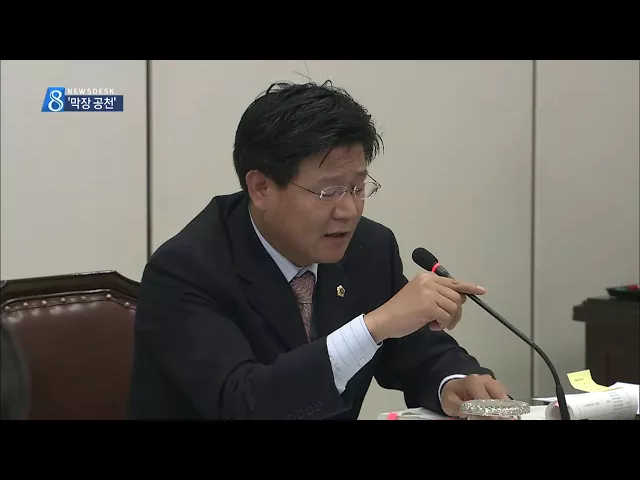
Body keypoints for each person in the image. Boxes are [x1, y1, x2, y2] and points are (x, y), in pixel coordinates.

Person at [127, 80, 509, 420]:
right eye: (329, 191)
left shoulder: (369, 248)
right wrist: (373, 327)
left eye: (358, 188)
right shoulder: (185, 270)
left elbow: (416, 352)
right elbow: (243, 402)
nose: (349, 210)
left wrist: (453, 381)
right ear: (261, 188)